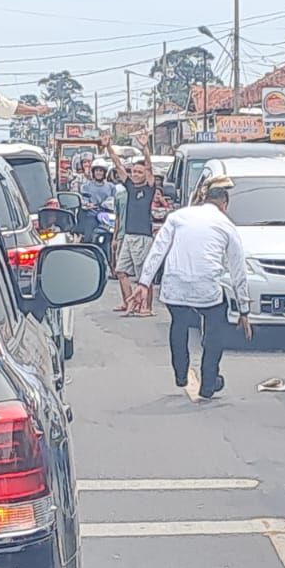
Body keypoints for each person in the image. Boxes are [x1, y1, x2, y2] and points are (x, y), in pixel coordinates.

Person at [130, 179, 252, 399]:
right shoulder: (226, 225)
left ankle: (180, 372)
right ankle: (209, 381)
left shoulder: (178, 217)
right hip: (207, 288)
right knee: (216, 330)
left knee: (179, 323)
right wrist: (244, 310)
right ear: (225, 204)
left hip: (175, 285)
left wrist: (143, 283)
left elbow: (158, 250)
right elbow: (238, 270)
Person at [107, 135, 164, 316]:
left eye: (139, 172)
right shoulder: (130, 187)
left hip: (142, 236)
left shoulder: (148, 188)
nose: (135, 175)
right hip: (129, 235)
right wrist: (108, 146)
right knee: (121, 271)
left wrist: (145, 148)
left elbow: (149, 165)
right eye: (134, 172)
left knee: (143, 275)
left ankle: (146, 307)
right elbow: (118, 165)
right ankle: (129, 303)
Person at [77, 160, 119, 241]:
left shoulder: (111, 187)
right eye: (96, 170)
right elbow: (83, 200)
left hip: (107, 217)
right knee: (88, 237)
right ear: (93, 172)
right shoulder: (86, 186)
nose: (98, 173)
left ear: (104, 172)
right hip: (92, 216)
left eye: (101, 171)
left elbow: (115, 200)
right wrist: (87, 204)